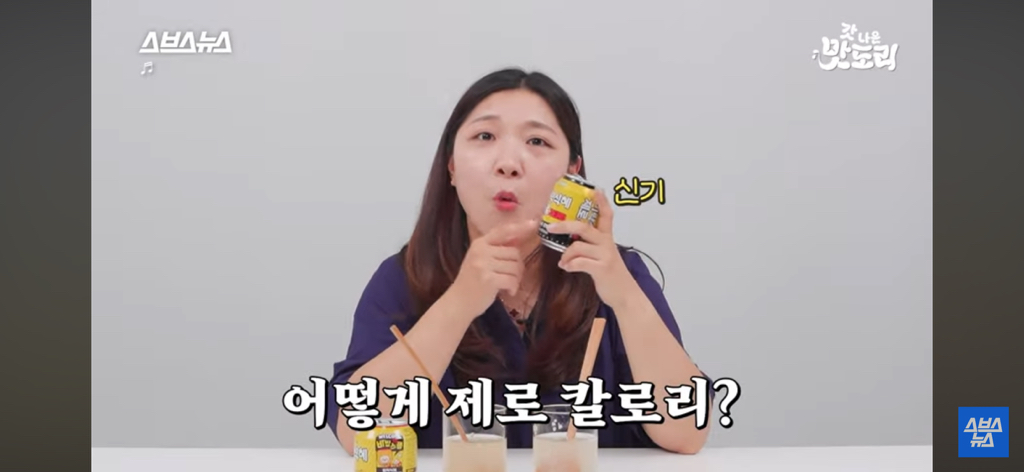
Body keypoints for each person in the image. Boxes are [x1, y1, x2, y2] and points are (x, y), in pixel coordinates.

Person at [326, 68, 713, 455]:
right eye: (485, 136)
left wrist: (626, 297)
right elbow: (358, 430)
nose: (508, 163)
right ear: (452, 166)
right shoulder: (404, 278)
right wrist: (459, 303)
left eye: (537, 141)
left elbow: (687, 432)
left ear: (572, 172)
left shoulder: (617, 275)